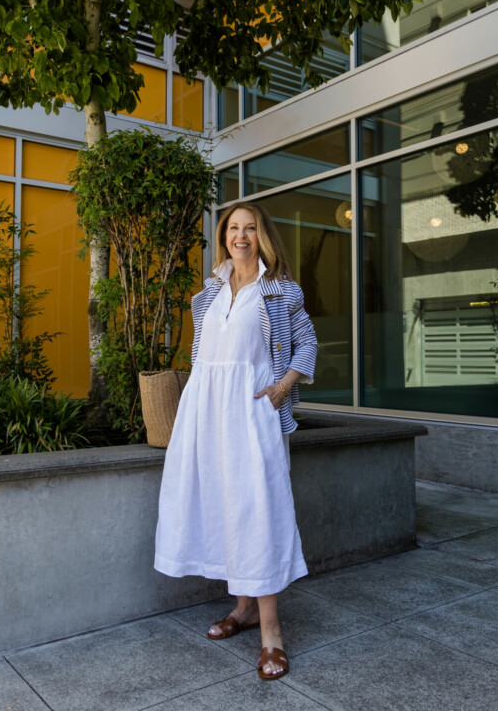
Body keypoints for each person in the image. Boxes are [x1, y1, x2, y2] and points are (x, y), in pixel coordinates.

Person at [154, 201, 317, 680]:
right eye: (233, 228)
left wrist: (282, 388)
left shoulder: (280, 291)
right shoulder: (207, 293)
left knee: (258, 512)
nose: (240, 236)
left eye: (250, 228)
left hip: (252, 413)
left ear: (262, 235)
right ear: (223, 235)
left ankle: (272, 633)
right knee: (225, 508)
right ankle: (243, 608)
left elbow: (306, 342)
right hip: (206, 414)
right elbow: (204, 356)